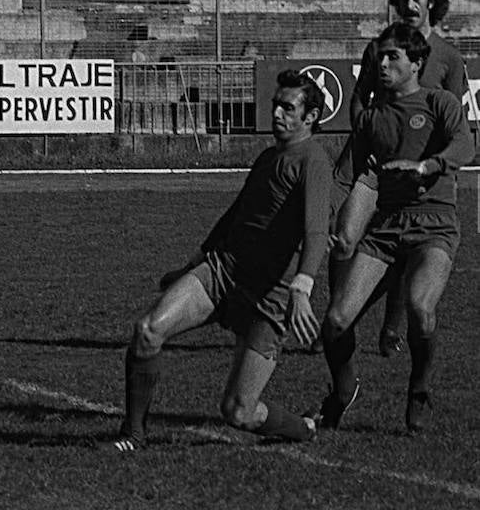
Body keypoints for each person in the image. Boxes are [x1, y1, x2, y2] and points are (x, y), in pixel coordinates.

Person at [113, 70, 331, 451]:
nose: (277, 113)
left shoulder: (313, 160)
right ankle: (132, 436)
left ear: (310, 116)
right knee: (148, 331)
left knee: (238, 412)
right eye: (275, 104)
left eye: (288, 107)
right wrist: (192, 263)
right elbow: (235, 216)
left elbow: (316, 229)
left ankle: (305, 428)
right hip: (223, 272)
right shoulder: (268, 157)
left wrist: (303, 285)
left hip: (270, 297)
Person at [317, 23, 474, 434]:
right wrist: (318, 222)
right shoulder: (372, 119)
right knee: (334, 322)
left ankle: (418, 387)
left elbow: (464, 145)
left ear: (417, 63)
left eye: (392, 57)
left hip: (434, 226)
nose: (381, 64)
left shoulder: (439, 103)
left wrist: (427, 166)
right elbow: (344, 176)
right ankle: (343, 386)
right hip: (385, 230)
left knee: (421, 309)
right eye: (379, 57)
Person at [323, 0, 470, 358]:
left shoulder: (449, 58)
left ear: (432, 3)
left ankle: (391, 326)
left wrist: (434, 166)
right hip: (376, 166)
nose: (408, 5)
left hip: (420, 174)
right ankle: (337, 314)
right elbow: (360, 97)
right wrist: (365, 131)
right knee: (344, 239)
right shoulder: (379, 48)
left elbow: (456, 119)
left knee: (406, 246)